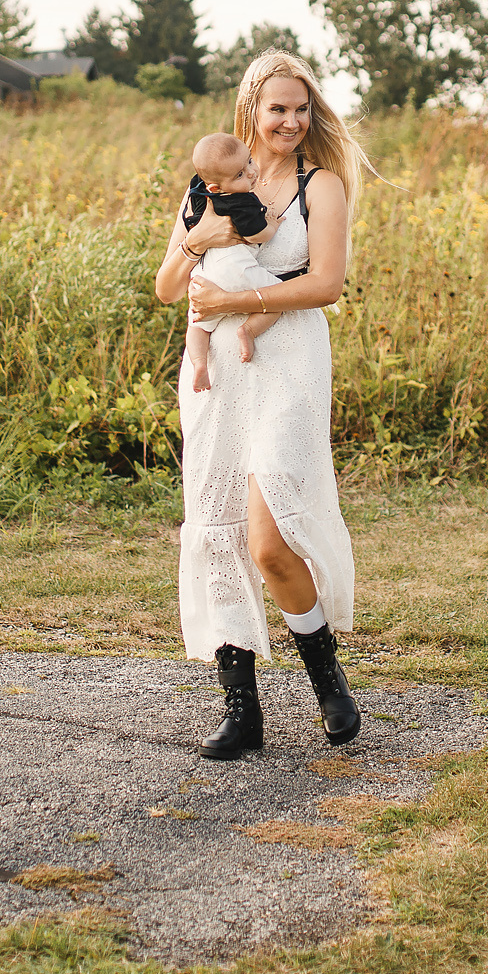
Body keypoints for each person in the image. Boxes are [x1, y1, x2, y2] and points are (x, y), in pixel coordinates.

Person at [153, 52, 371, 758]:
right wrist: (201, 238)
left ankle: (326, 674)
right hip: (219, 369)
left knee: (270, 541)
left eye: (301, 108)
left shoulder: (321, 185)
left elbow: (326, 284)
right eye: (278, 108)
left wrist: (234, 298)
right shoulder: (209, 185)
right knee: (218, 527)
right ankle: (241, 711)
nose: (291, 121)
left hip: (290, 360)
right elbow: (166, 287)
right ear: (252, 108)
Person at [178, 132, 285, 393]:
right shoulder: (242, 201)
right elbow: (256, 234)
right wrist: (272, 225)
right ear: (216, 188)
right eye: (239, 174)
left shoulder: (199, 190)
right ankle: (248, 331)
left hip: (205, 272)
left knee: (197, 324)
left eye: (249, 161)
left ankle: (199, 363)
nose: (251, 172)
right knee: (279, 298)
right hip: (235, 268)